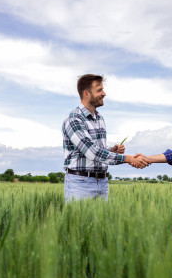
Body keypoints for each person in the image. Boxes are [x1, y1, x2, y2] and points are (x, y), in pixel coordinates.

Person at [62, 74, 150, 202]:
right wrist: (129, 158)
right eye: (99, 90)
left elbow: (97, 150)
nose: (104, 94)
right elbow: (93, 153)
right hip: (81, 184)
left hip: (102, 181)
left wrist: (111, 151)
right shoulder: (74, 119)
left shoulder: (99, 118)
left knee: (102, 222)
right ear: (86, 93)